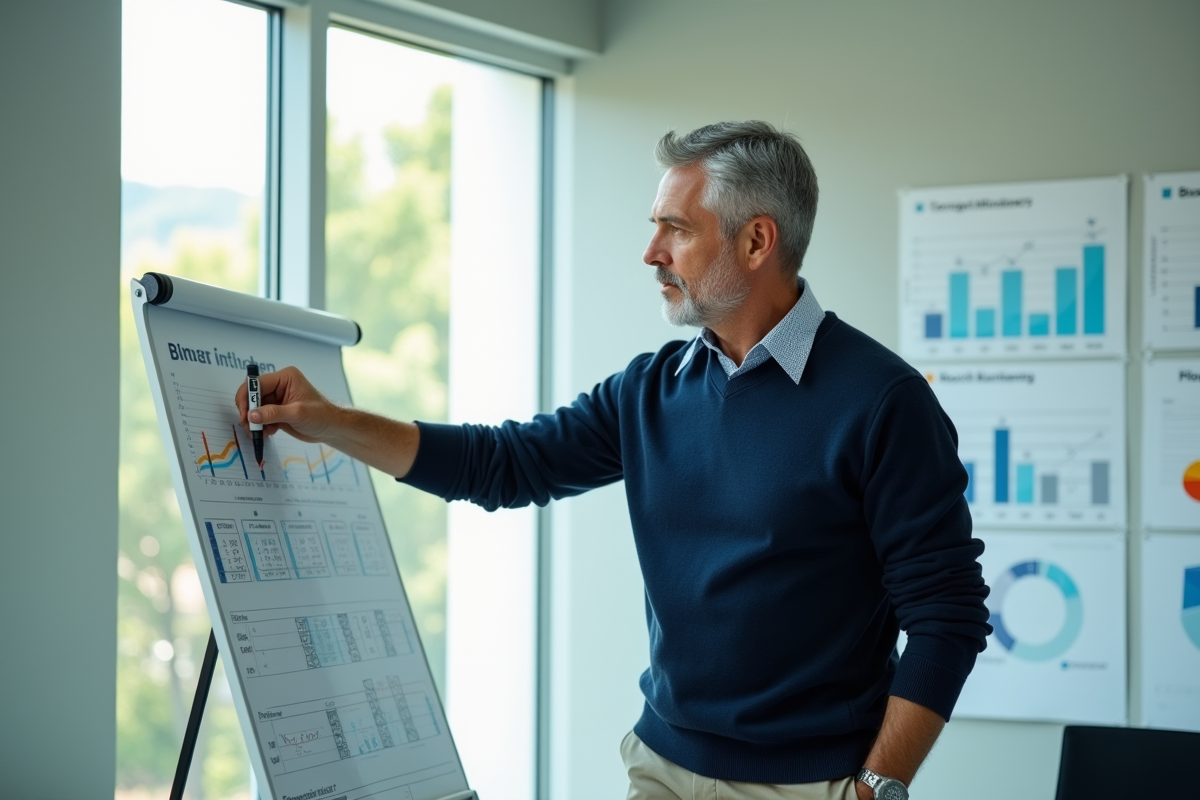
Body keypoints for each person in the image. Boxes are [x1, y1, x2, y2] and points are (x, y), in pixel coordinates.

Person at [237, 121, 991, 800]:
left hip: (805, 786)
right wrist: (332, 423)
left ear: (757, 242)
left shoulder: (883, 402)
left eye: (676, 229)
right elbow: (504, 464)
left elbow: (947, 615)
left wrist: (874, 790)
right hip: (659, 768)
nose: (652, 252)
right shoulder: (651, 390)